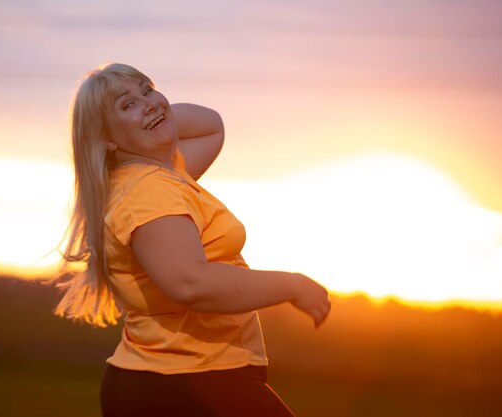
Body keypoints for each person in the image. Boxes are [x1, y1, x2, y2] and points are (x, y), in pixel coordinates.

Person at [47, 62, 331, 417]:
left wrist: (149, 115)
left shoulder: (159, 173)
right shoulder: (149, 191)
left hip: (176, 379)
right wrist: (291, 285)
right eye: (127, 104)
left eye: (147, 89)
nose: (147, 102)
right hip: (188, 384)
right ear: (106, 138)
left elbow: (211, 126)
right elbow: (189, 283)